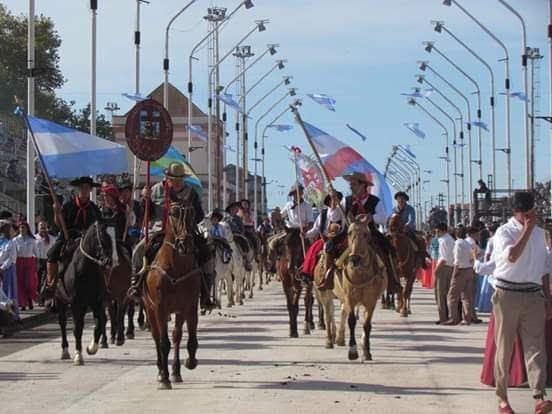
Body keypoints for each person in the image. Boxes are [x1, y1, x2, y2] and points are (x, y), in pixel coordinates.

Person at [492, 191, 552, 414]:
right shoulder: (504, 232)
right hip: (507, 294)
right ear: (517, 212)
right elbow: (512, 256)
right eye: (527, 212)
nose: (531, 216)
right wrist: (526, 230)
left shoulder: (540, 234)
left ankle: (539, 396)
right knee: (504, 348)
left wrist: (547, 298)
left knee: (536, 348)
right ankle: (502, 398)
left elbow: (545, 269)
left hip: (533, 294)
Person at [130, 162, 213, 310]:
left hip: (185, 232)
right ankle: (136, 284)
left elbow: (200, 215)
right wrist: (145, 200)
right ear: (167, 178)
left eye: (180, 179)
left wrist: (188, 217)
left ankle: (206, 293)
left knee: (207, 253)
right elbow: (145, 215)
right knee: (138, 250)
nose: (177, 182)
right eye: (174, 179)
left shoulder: (190, 192)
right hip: (158, 231)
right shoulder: (155, 190)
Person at [341, 172, 398, 290]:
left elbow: (382, 218)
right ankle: (329, 279)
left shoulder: (375, 201)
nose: (351, 186)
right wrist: (335, 204)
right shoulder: (345, 201)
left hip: (370, 234)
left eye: (354, 184)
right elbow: (336, 217)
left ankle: (392, 281)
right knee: (330, 247)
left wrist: (371, 217)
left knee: (387, 250)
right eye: (350, 184)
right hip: (350, 234)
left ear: (363, 186)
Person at [45, 176, 102, 293]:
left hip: (88, 241)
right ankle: (51, 283)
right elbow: (59, 225)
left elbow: (99, 227)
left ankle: (103, 285)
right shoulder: (68, 206)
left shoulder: (94, 209)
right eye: (82, 187)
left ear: (90, 190)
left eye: (87, 188)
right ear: (78, 189)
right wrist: (56, 212)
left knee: (105, 255)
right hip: (68, 238)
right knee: (52, 253)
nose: (84, 190)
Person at [302, 191, 345, 282]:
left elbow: (335, 218)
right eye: (332, 199)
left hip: (341, 240)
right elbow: (315, 229)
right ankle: (308, 273)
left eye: (336, 199)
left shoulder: (342, 213)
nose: (334, 202)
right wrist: (305, 234)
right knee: (313, 251)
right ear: (328, 201)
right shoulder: (323, 214)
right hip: (324, 239)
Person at [442, 226, 474, 325]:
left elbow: (457, 260)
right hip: (469, 269)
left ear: (456, 234)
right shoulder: (468, 244)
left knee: (452, 296)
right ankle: (467, 318)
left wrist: (454, 274)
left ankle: (453, 318)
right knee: (467, 296)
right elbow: (473, 256)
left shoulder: (457, 244)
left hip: (460, 270)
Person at [279, 184, 314, 272]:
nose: (297, 195)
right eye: (295, 193)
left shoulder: (307, 206)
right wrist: (277, 217)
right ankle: (275, 265)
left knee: (311, 247)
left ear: (302, 193)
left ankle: (309, 268)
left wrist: (305, 230)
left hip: (302, 231)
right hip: (290, 230)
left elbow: (311, 222)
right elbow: (281, 215)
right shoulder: (288, 205)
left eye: (299, 193)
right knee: (274, 243)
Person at [392, 191, 428, 268]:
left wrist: (406, 226)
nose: (401, 201)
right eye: (399, 199)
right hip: (396, 231)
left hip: (408, 230)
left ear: (405, 200)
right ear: (397, 200)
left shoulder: (410, 209)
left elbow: (412, 220)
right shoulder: (394, 210)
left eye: (402, 199)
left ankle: (422, 260)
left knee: (419, 241)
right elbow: (390, 219)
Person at [14, 222, 38, 311]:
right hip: (19, 261)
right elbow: (14, 253)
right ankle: (23, 303)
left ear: (27, 229)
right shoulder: (15, 240)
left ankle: (30, 298)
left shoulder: (32, 240)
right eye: (20, 228)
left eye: (23, 228)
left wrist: (37, 262)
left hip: (30, 261)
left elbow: (36, 252)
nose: (22, 229)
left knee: (29, 283)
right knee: (20, 283)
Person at [434, 222, 455, 325]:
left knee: (440, 294)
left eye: (438, 231)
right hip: (451, 267)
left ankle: (443, 316)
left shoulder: (442, 240)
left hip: (443, 268)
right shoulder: (451, 239)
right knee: (447, 293)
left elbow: (443, 258)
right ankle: (449, 315)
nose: (436, 233)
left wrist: (436, 270)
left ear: (443, 231)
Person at [0, 220, 19, 320]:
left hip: (7, 269)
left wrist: (2, 268)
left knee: (9, 292)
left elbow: (11, 258)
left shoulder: (11, 243)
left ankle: (14, 315)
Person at [35, 221, 57, 304]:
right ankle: (40, 296)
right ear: (38, 227)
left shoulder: (52, 238)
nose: (42, 228)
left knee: (45, 281)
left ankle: (44, 298)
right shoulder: (34, 238)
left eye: (44, 226)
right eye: (41, 226)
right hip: (38, 261)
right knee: (38, 280)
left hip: (48, 261)